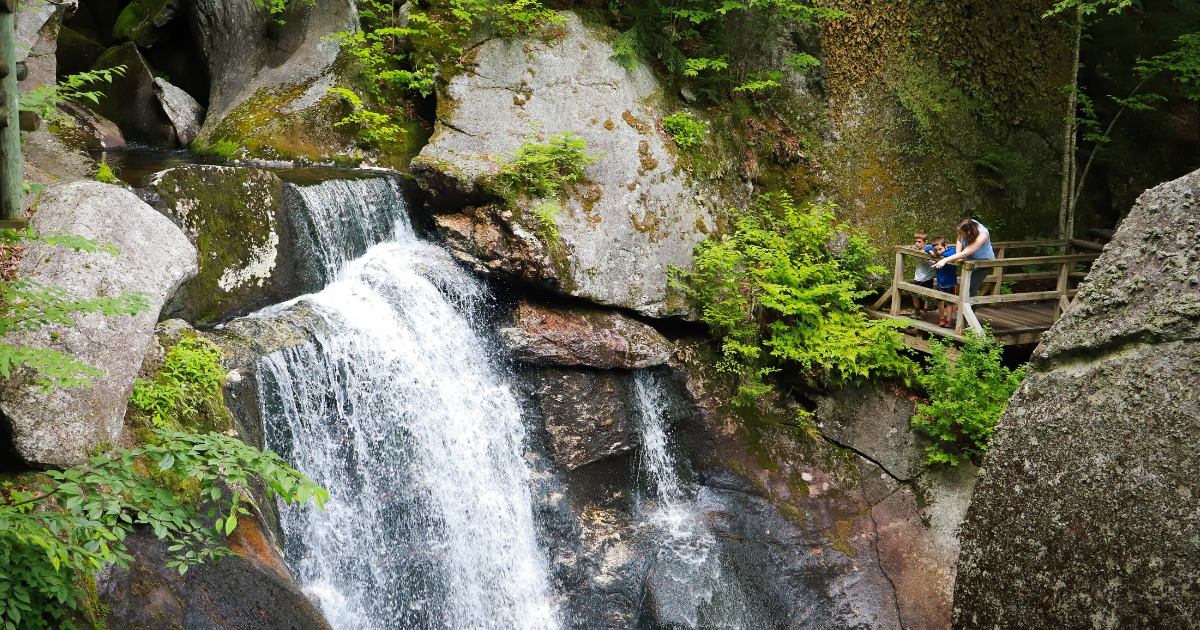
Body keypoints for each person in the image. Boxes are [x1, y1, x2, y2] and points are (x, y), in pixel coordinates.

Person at [932, 217, 995, 299]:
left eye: (960, 233)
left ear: (968, 232)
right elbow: (959, 240)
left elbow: (965, 253)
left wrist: (944, 260)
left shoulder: (982, 236)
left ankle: (969, 310)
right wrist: (957, 255)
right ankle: (963, 310)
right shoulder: (965, 224)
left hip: (983, 263)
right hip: (969, 262)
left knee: (971, 288)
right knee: (964, 286)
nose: (959, 234)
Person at [927, 237, 958, 327]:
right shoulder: (936, 251)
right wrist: (932, 251)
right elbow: (926, 248)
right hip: (941, 282)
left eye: (940, 249)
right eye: (937, 250)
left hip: (951, 282)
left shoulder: (952, 251)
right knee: (940, 301)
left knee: (949, 302)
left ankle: (948, 320)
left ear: (945, 245)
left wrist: (941, 254)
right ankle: (941, 319)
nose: (939, 252)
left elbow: (952, 252)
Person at [910, 230, 935, 317]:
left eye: (919, 242)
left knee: (927, 296)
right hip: (917, 277)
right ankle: (917, 310)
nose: (917, 244)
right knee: (915, 295)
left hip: (927, 277)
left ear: (925, 242)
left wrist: (925, 257)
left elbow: (933, 263)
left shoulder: (929, 251)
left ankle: (925, 311)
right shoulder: (914, 250)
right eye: (916, 242)